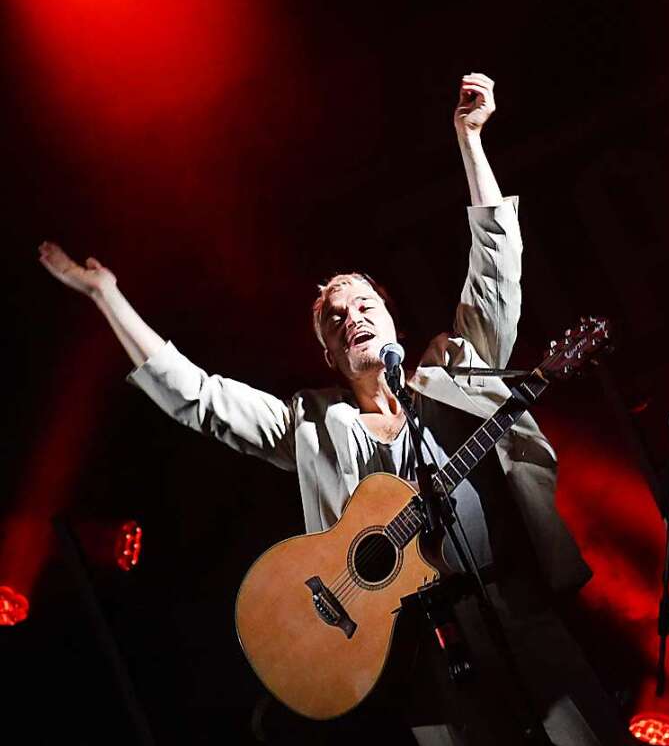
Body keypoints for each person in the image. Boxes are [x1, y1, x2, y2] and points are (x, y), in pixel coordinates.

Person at [40, 73, 626, 746]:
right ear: (329, 355)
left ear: (392, 317)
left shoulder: (455, 372)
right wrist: (106, 297)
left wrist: (469, 140)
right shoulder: (314, 426)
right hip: (419, 656)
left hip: (519, 613)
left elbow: (496, 267)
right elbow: (201, 399)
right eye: (336, 319)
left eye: (364, 305)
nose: (353, 317)